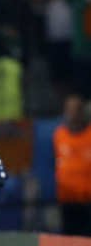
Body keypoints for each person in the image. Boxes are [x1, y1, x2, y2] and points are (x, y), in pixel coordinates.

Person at [53, 94, 91, 237]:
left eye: (75, 109)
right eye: (68, 109)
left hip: (87, 202)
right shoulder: (59, 135)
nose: (71, 113)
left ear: (82, 111)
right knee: (68, 239)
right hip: (67, 202)